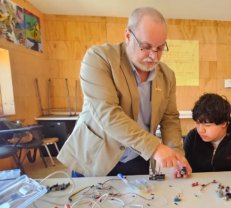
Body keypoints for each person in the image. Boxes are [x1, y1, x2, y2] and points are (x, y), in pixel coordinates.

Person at [57, 7, 192, 177]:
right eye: (146, 46)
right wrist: (155, 147)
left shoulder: (168, 75)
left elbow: (169, 118)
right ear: (128, 36)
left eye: (159, 48)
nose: (154, 56)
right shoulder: (99, 59)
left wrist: (176, 154)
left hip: (137, 158)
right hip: (96, 158)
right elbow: (108, 114)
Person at [183, 93, 231, 172]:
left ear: (223, 123)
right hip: (199, 183)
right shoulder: (192, 137)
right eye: (197, 123)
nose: (200, 130)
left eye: (207, 125)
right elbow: (184, 166)